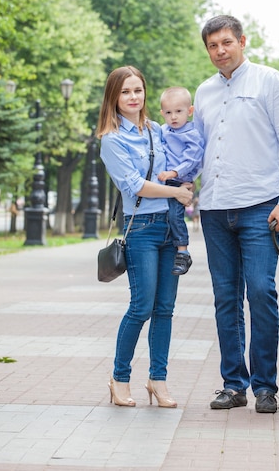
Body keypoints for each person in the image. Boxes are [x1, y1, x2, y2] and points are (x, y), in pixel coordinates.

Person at [193, 15, 279, 413]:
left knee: (260, 292)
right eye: (212, 46)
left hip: (262, 206)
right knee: (225, 297)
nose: (220, 51)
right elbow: (198, 148)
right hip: (215, 209)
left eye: (226, 42)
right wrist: (179, 180)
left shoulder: (270, 81)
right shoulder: (203, 92)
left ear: (242, 41)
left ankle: (265, 387)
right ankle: (233, 384)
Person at [96, 66, 193, 408]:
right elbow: (134, 184)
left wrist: (185, 182)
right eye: (125, 92)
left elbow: (179, 163)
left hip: (171, 227)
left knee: (165, 309)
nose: (133, 97)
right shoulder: (111, 139)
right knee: (141, 307)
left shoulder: (157, 129)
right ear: (114, 97)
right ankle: (119, 378)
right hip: (142, 229)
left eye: (138, 90)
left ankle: (158, 379)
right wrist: (176, 193)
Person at [158, 86, 204, 275]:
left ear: (190, 111)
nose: (174, 117)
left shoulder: (192, 133)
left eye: (179, 111)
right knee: (164, 215)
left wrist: (174, 173)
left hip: (179, 180)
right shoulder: (162, 130)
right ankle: (168, 244)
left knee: (175, 216)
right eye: (168, 113)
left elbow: (192, 158)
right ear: (162, 114)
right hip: (163, 181)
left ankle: (183, 252)